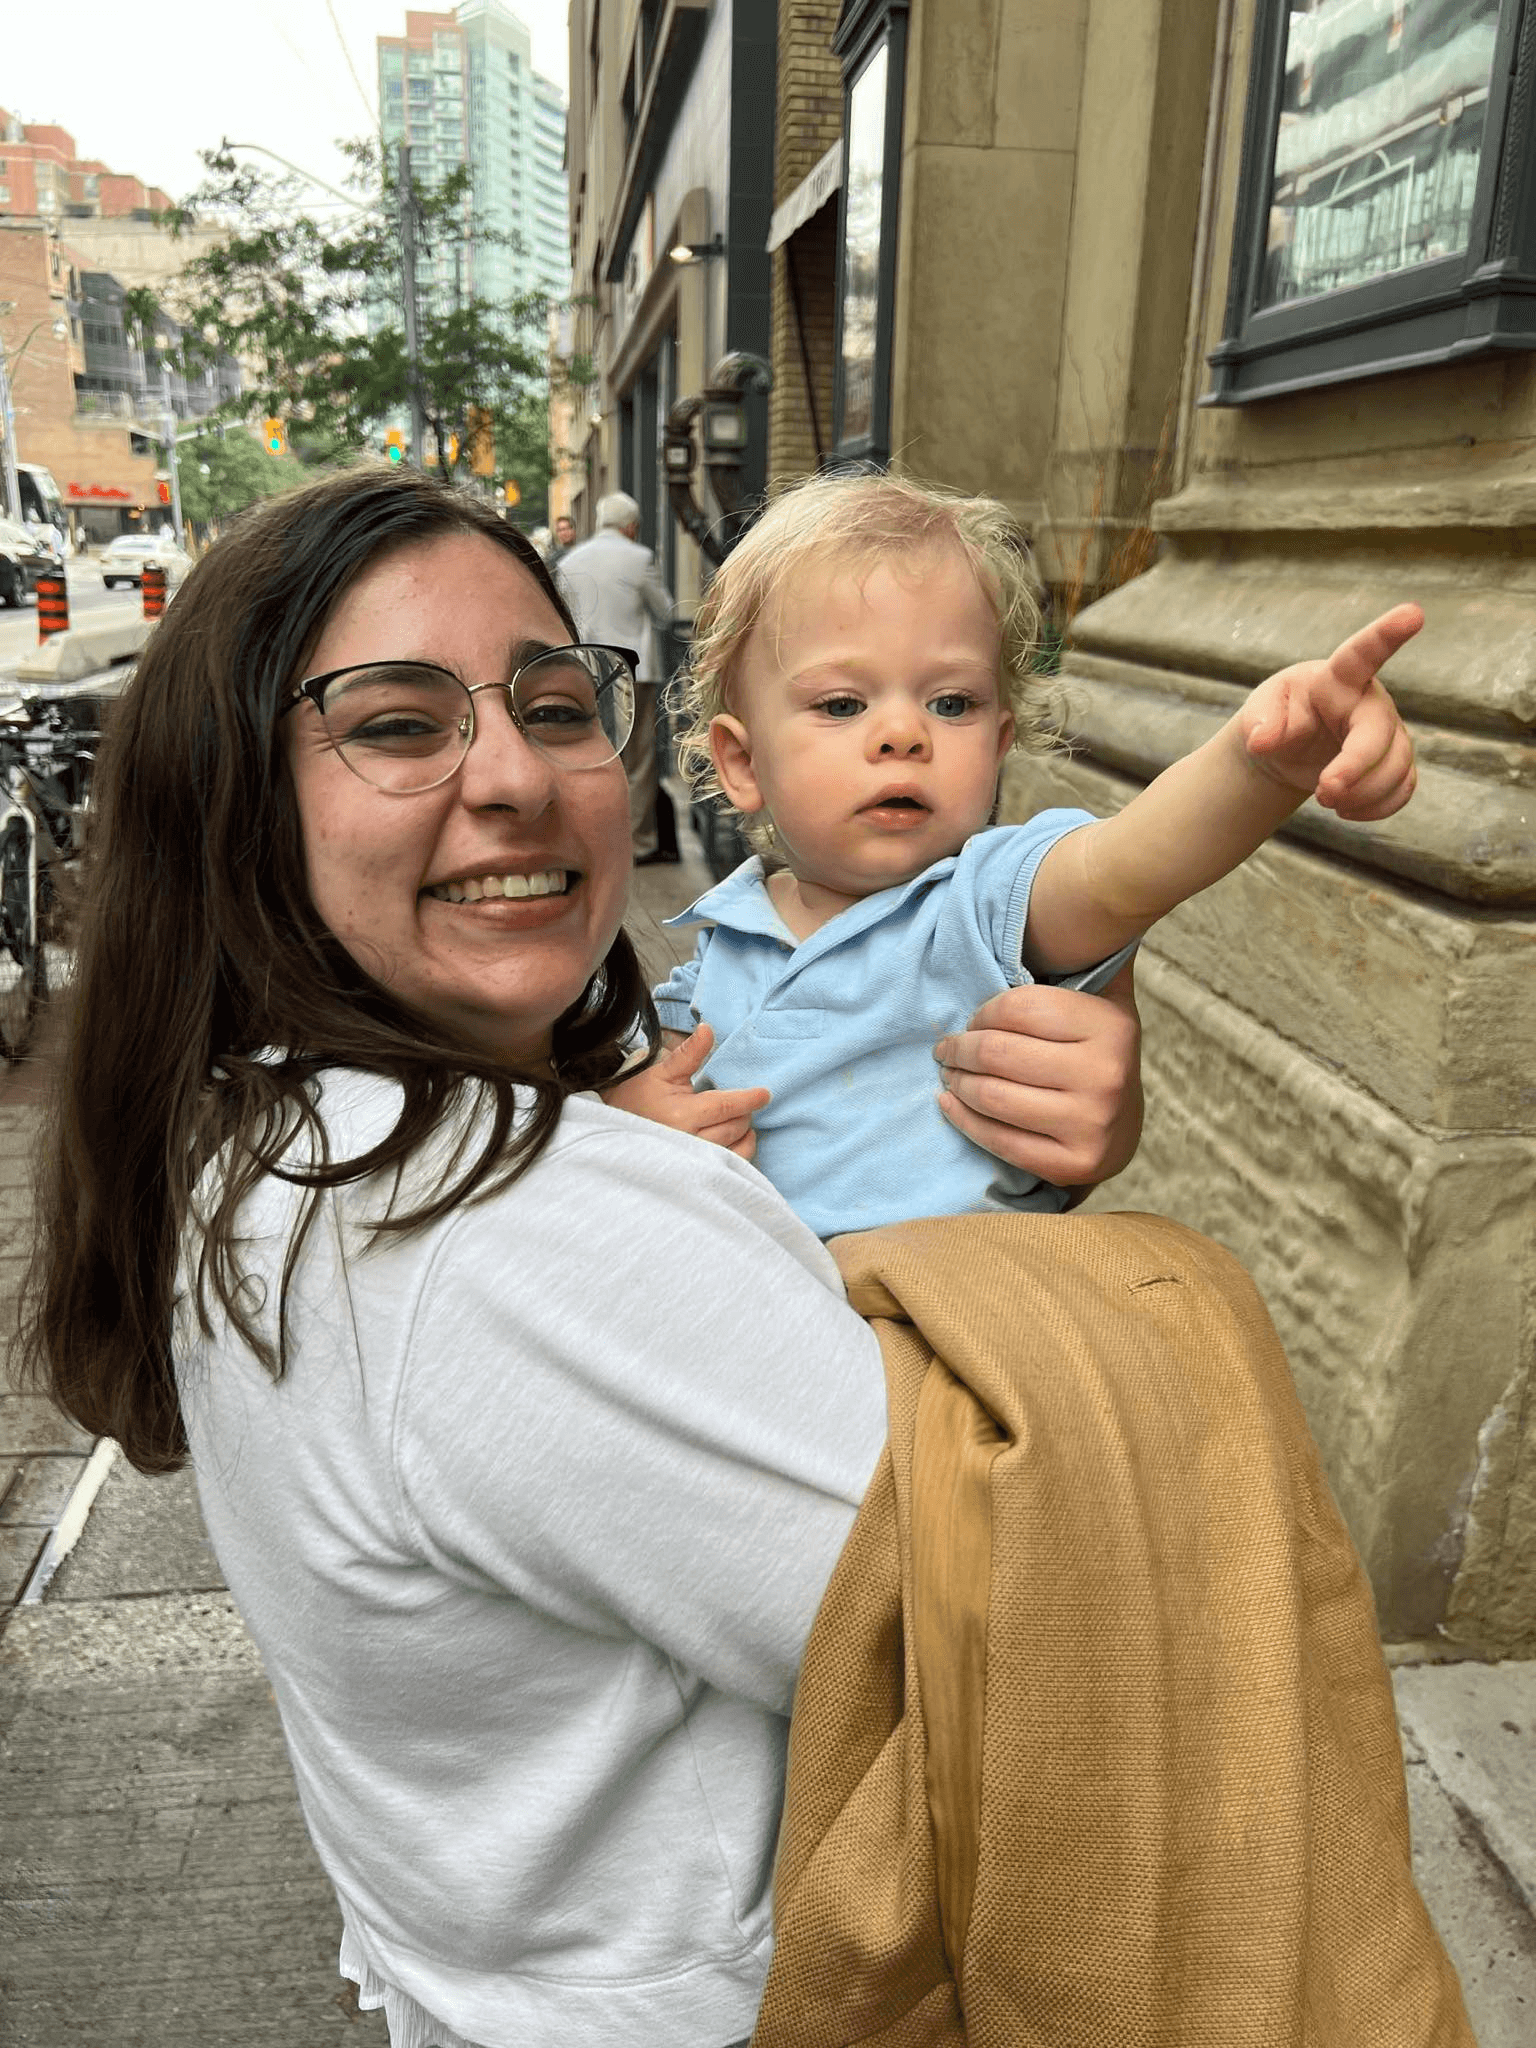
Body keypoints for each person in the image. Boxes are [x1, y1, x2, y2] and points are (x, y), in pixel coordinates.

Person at [22, 464, 1146, 2048]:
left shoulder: (256, 1126)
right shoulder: (500, 1236)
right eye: (400, 724)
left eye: (555, 706)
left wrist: (979, 1110)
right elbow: (1046, 1643)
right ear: (234, 799)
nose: (517, 779)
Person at [604, 471, 1419, 1240]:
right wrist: (647, 1122)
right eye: (843, 703)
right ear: (744, 764)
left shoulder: (982, 900)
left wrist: (1263, 763)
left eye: (950, 702)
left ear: (997, 748)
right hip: (775, 1314)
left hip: (956, 1311)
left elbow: (1127, 864)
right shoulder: (723, 938)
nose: (903, 733)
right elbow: (651, 1099)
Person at [556, 490, 679, 863]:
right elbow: (667, 612)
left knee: (595, 753)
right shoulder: (639, 558)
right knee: (639, 759)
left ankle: (593, 840)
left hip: (589, 671)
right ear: (631, 526)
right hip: (636, 672)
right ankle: (637, 844)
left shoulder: (570, 561)